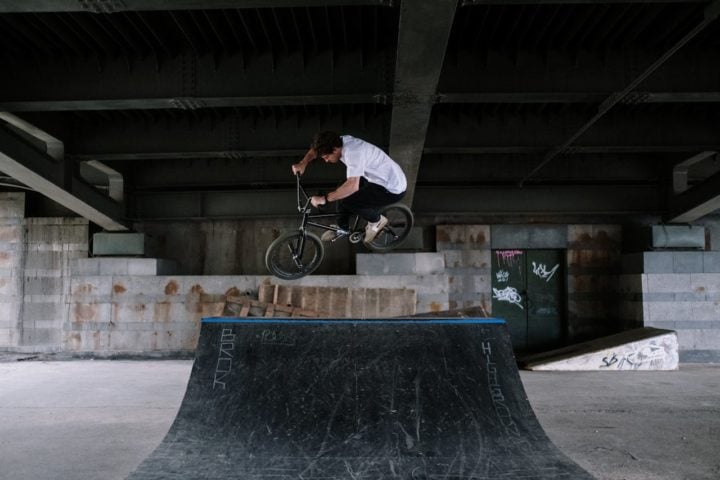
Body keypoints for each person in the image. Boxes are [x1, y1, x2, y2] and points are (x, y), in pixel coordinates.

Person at [292, 131, 407, 244]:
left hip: (391, 188)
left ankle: (376, 220)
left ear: (335, 150)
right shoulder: (337, 142)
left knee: (349, 201)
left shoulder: (353, 153)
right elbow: (315, 151)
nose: (326, 161)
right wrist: (303, 163)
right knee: (341, 190)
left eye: (327, 157)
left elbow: (352, 186)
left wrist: (324, 199)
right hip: (378, 177)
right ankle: (343, 228)